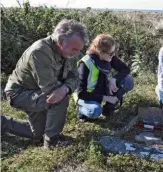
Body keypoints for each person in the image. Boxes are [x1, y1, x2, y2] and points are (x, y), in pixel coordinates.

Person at [1, 19, 88, 149]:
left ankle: (2, 123)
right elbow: (51, 90)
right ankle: (52, 141)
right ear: (60, 43)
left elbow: (75, 77)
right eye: (75, 49)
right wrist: (64, 89)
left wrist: (66, 87)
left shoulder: (71, 50)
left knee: (37, 134)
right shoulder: (40, 51)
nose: (77, 53)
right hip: (19, 93)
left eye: (79, 49)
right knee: (60, 98)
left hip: (37, 91)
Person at [76, 34, 133, 121]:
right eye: (110, 53)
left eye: (114, 52)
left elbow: (125, 69)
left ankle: (108, 108)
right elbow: (81, 94)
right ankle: (82, 110)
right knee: (95, 111)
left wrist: (114, 80)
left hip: (102, 89)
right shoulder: (85, 64)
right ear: (100, 51)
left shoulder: (109, 57)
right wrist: (106, 98)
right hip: (88, 96)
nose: (113, 55)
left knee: (128, 80)